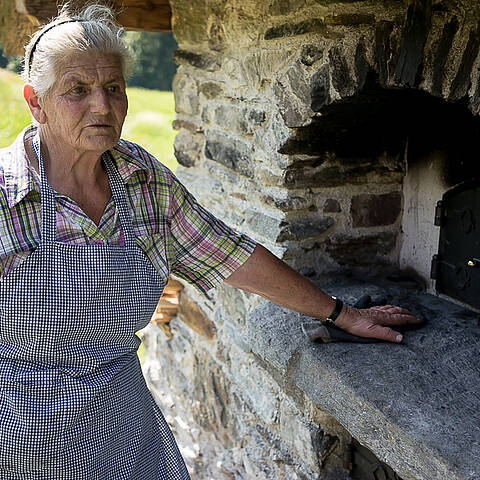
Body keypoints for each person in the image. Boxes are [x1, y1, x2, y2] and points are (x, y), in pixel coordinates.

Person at [0, 3, 420, 478]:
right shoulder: (5, 194)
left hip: (123, 423)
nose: (103, 106)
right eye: (78, 90)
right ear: (36, 102)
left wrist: (342, 314)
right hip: (21, 433)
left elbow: (231, 255)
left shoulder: (141, 181)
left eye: (113, 88)